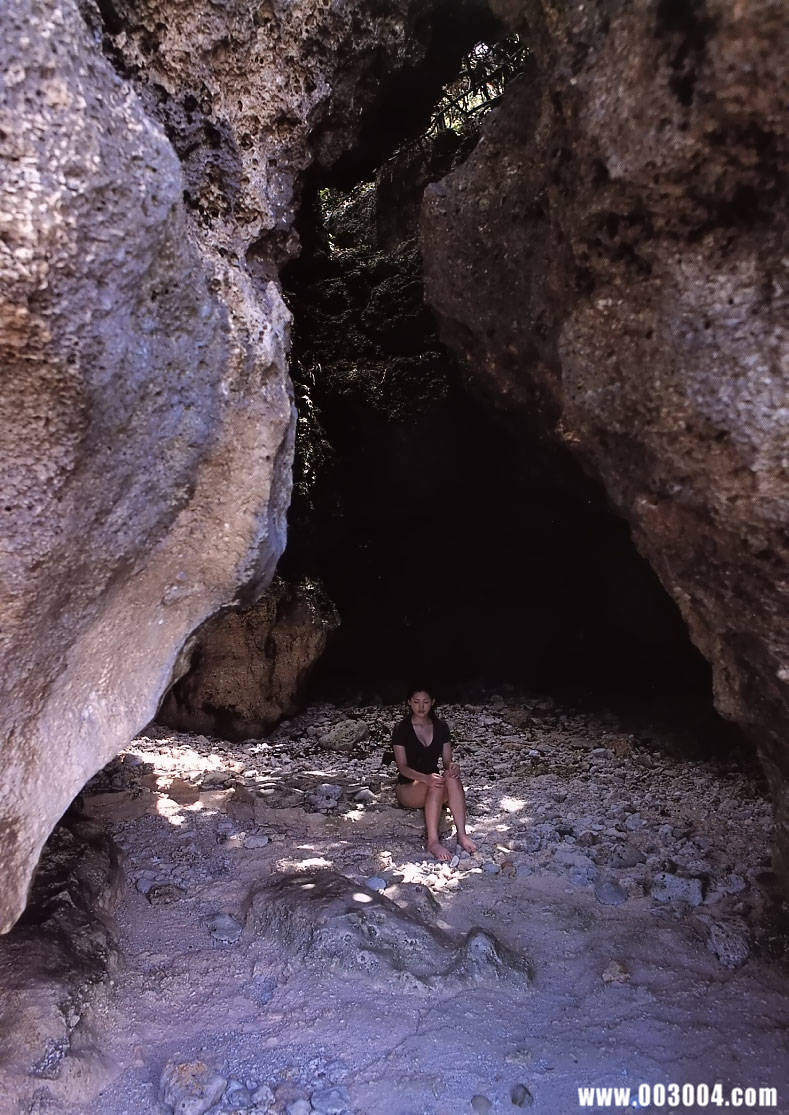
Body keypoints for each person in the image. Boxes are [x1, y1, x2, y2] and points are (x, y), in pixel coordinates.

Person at [391, 686, 477, 862]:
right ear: (409, 702)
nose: (421, 707)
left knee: (451, 778)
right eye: (416, 702)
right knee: (436, 783)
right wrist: (425, 778)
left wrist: (453, 767)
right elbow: (403, 767)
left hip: (433, 783)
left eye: (425, 702)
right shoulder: (402, 729)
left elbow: (447, 762)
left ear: (433, 703)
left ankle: (462, 834)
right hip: (409, 786)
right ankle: (433, 842)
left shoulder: (441, 727)